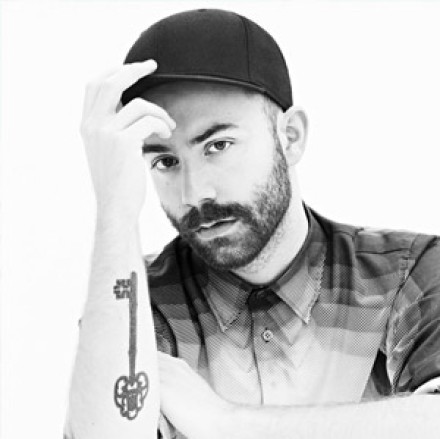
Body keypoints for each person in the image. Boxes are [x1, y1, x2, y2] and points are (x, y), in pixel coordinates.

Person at [65, 8, 440, 439]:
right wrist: (114, 207)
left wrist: (224, 422)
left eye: (218, 145)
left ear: (290, 136)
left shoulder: (406, 276)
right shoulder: (140, 299)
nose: (194, 193)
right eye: (165, 161)